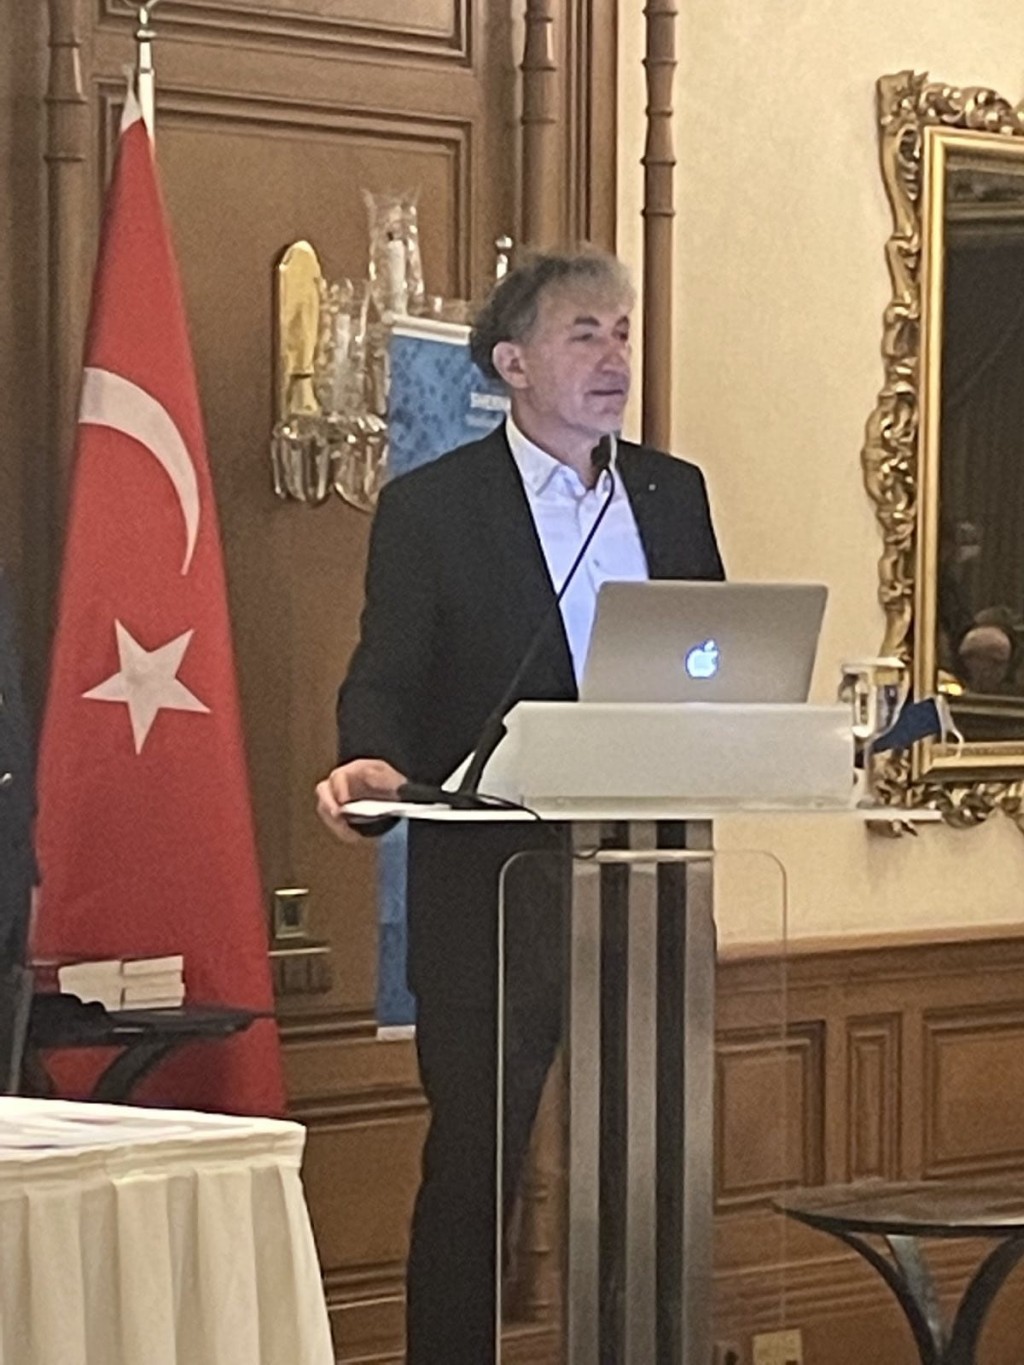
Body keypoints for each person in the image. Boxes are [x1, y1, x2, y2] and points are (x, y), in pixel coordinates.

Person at [315, 247, 724, 1365]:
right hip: (494, 887)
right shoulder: (433, 508)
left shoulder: (671, 493)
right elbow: (386, 676)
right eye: (584, 333)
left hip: (650, 874)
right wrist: (369, 762)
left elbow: (716, 661)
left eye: (622, 331)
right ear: (513, 364)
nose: (614, 356)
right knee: (474, 1168)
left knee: (649, 1167)